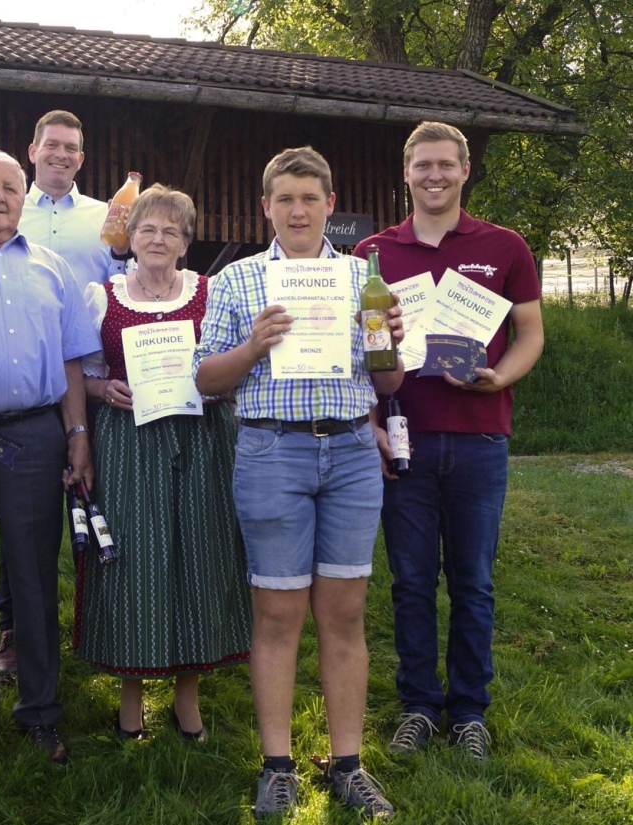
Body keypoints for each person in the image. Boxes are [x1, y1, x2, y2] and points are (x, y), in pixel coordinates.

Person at [193, 147, 404, 818]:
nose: (299, 209)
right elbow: (203, 378)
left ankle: (349, 762)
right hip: (271, 450)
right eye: (285, 198)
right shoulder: (236, 280)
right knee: (278, 614)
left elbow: (389, 383)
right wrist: (253, 346)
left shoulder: (361, 279)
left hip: (347, 452)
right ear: (267, 207)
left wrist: (389, 343)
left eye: (310, 197)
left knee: (344, 615)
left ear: (329, 205)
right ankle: (278, 764)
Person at [355, 122, 543, 762]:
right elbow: (361, 354)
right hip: (403, 437)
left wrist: (499, 381)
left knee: (473, 581)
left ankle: (468, 710)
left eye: (446, 165)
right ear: (405, 173)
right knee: (409, 582)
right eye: (422, 166)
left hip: (479, 437)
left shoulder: (505, 246)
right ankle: (417, 705)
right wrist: (372, 422)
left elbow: (530, 335)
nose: (434, 176)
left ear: (466, 171)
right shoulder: (373, 255)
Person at [0, 150, 98, 765]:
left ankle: (40, 713)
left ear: (26, 195)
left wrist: (78, 434)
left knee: (32, 577)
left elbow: (72, 363)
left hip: (36, 436)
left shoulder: (53, 268)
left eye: (10, 185)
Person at [75, 184, 252, 741]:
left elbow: (232, 363)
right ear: (129, 237)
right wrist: (104, 391)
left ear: (186, 242)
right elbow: (78, 372)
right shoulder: (101, 295)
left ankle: (186, 697)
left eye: (170, 231)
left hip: (202, 438)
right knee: (133, 561)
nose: (157, 238)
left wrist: (222, 387)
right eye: (147, 228)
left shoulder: (211, 290)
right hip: (127, 440)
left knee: (199, 555)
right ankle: (131, 697)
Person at [0, 109, 131, 676]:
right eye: (52, 145)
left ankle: (103, 627)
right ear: (32, 150)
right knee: (22, 515)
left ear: (82, 157)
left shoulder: (105, 220)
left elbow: (127, 283)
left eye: (71, 147)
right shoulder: (6, 211)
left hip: (91, 382)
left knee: (100, 504)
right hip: (24, 385)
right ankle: (16, 629)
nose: (61, 154)